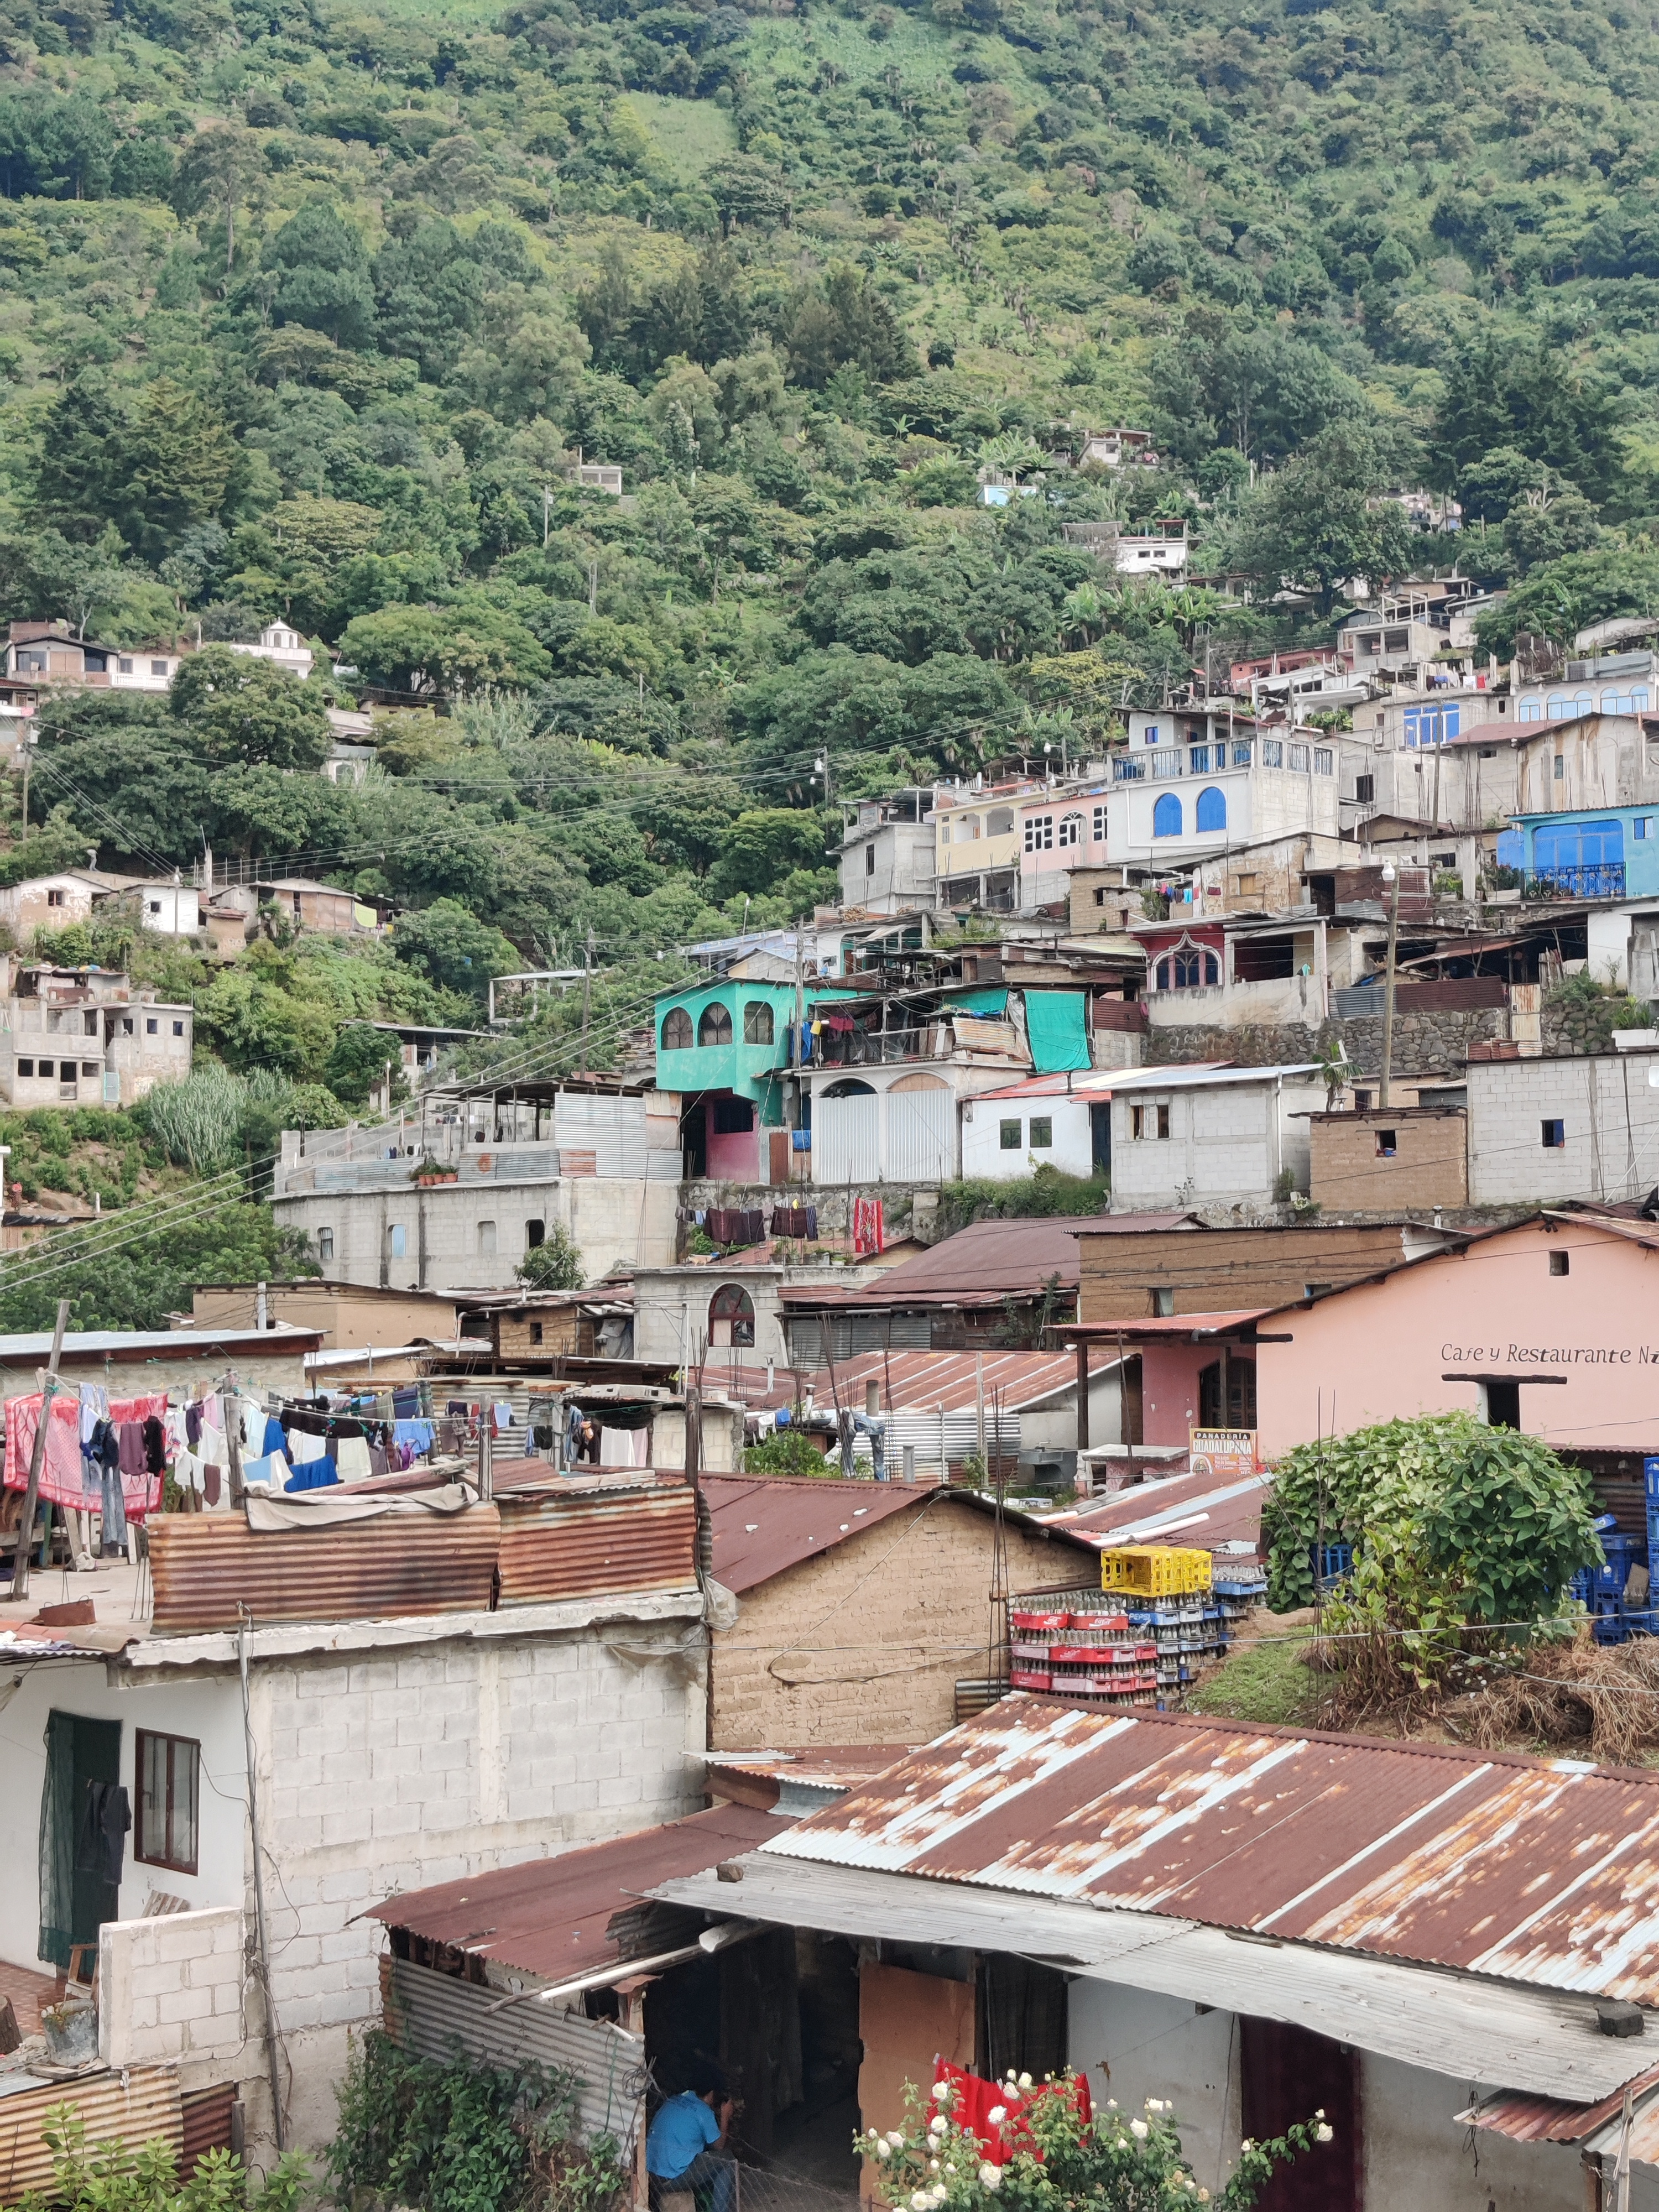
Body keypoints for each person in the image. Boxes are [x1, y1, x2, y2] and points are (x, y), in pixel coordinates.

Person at [646, 2073, 735, 2212]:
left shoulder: (673, 2100)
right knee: (727, 2159)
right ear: (712, 2094)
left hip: (651, 2177)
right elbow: (719, 2146)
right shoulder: (704, 2112)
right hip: (673, 2179)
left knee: (701, 2156)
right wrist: (725, 2117)